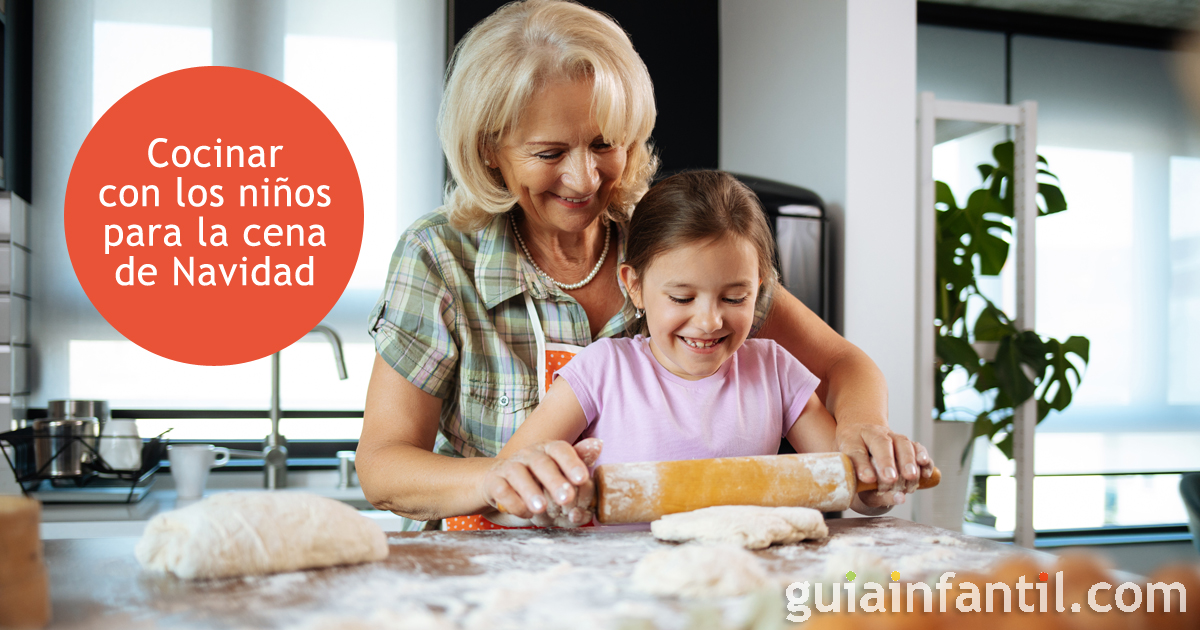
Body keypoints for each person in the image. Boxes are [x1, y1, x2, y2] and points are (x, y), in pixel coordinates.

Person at [358, 0, 930, 530]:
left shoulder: (671, 244)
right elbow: (383, 467)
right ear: (489, 149)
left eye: (605, 144)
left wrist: (862, 433)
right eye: (549, 153)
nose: (585, 180)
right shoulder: (439, 254)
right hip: (481, 571)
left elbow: (844, 364)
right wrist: (495, 476)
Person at [481, 171, 933, 527]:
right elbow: (504, 488)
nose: (710, 320)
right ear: (634, 286)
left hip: (743, 587)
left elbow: (849, 486)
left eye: (735, 298)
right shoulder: (601, 370)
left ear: (760, 288)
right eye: (682, 298)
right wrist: (550, 494)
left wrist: (881, 480)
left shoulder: (775, 372)